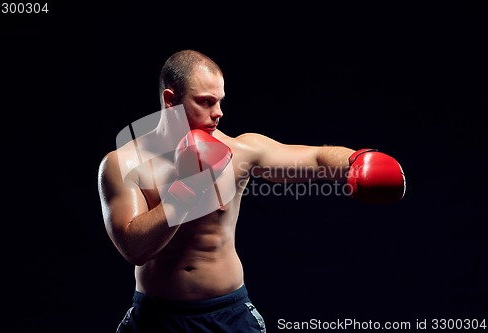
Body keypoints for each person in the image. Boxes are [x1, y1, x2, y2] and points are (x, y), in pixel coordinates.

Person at [97, 49, 406, 332]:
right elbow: (135, 248)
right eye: (205, 101)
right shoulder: (123, 163)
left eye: (220, 101)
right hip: (156, 319)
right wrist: (189, 187)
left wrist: (356, 161)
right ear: (170, 100)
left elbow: (313, 157)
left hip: (228, 315)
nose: (218, 113)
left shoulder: (240, 150)